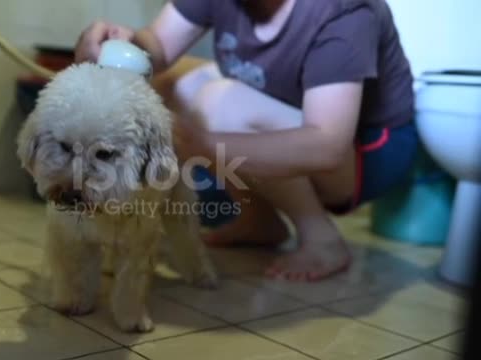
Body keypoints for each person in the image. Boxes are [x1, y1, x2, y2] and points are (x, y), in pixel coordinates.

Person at [74, 0, 419, 282]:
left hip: (370, 149)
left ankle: (320, 236)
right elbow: (158, 48)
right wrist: (114, 47)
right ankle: (260, 222)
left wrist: (204, 145)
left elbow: (327, 144)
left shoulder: (343, 11)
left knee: (220, 103)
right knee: (177, 86)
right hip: (301, 109)